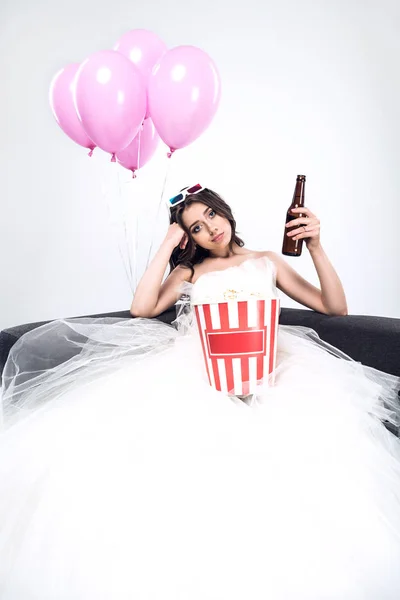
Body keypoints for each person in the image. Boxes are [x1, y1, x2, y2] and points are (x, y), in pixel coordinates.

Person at [0, 185, 400, 600]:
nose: (210, 228)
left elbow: (334, 308)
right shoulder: (189, 273)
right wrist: (167, 245)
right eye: (196, 226)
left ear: (225, 212)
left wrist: (316, 246)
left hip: (271, 363)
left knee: (296, 441)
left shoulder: (266, 261)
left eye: (211, 215)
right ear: (189, 238)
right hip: (203, 366)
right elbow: (142, 308)